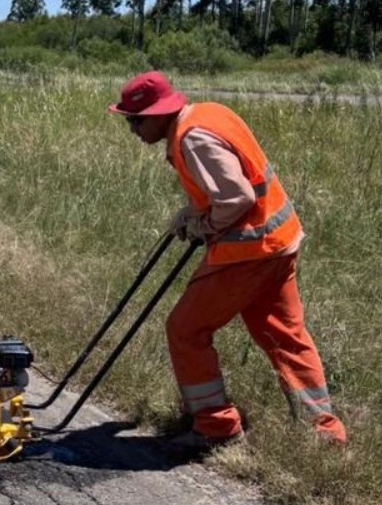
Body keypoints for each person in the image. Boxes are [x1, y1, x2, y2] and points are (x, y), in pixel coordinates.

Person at [109, 70, 347, 454]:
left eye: (135, 120)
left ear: (158, 113)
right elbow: (231, 184)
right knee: (285, 337)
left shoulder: (194, 138)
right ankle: (323, 431)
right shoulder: (208, 113)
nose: (132, 129)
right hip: (278, 242)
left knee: (185, 329)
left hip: (247, 253)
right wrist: (192, 212)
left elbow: (237, 198)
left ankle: (215, 426)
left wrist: (204, 226)